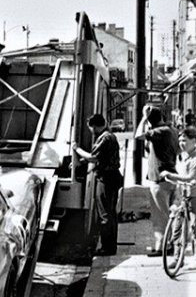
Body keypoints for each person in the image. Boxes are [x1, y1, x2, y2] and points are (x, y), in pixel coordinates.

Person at [73, 113, 123, 256]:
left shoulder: (104, 138)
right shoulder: (110, 136)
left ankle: (107, 248)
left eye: (91, 128)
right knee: (111, 213)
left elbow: (93, 157)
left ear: (94, 126)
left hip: (106, 178)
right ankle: (110, 246)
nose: (91, 131)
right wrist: (80, 162)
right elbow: (100, 156)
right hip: (112, 177)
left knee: (105, 214)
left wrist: (76, 149)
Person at [134, 104, 179, 256]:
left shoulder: (159, 131)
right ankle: (170, 244)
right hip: (172, 176)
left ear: (150, 121)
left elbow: (138, 135)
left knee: (160, 217)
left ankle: (163, 248)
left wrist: (143, 119)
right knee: (169, 215)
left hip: (159, 180)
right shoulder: (172, 131)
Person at [159, 126, 196, 268]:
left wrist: (170, 175)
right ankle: (176, 257)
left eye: (185, 140)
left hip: (194, 196)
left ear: (194, 141)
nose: (181, 143)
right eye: (180, 140)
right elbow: (182, 179)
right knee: (177, 227)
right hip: (183, 196)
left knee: (194, 228)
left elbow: (189, 177)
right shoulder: (184, 156)